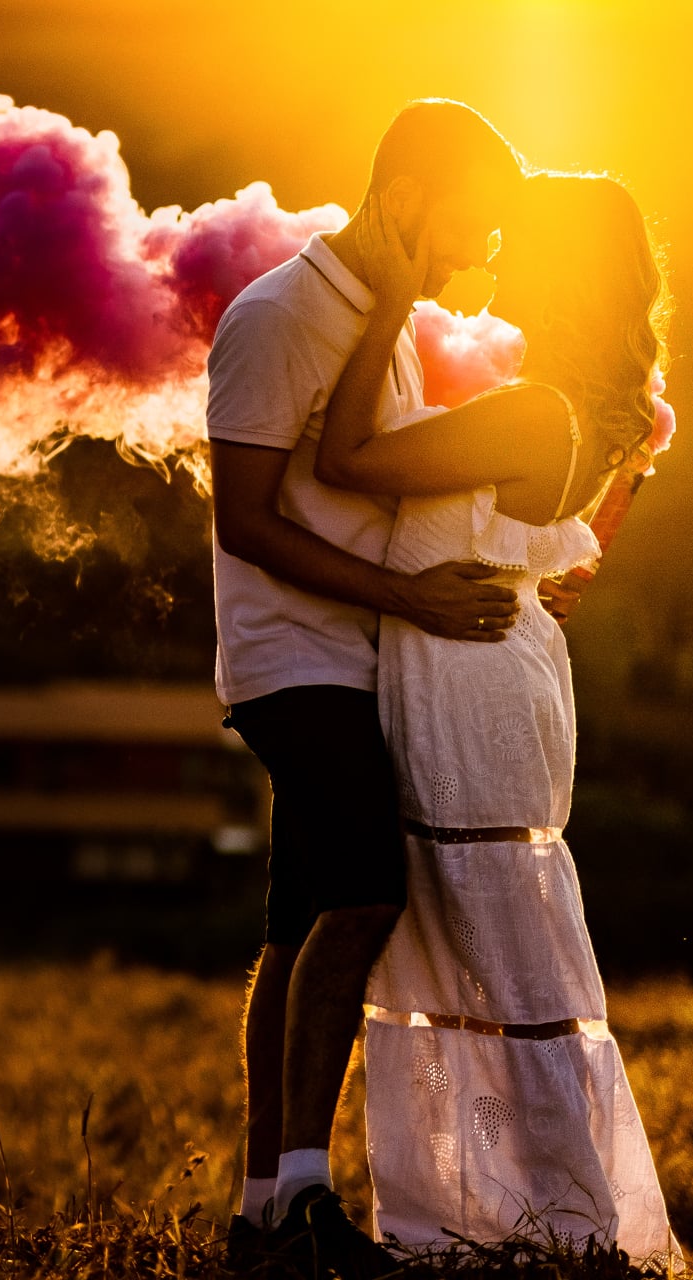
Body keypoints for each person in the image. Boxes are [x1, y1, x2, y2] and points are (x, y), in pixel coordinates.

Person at [313, 171, 677, 1262]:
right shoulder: (574, 403)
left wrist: (384, 299)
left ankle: (557, 1221)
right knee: (483, 937)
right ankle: (504, 1213)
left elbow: (344, 460)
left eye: (523, 240)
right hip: (489, 664)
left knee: (491, 941)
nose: (499, 250)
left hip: (468, 684)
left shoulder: (531, 412)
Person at [206, 99, 526, 1279]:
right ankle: (303, 1198)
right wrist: (419, 604)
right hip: (298, 657)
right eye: (469, 221)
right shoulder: (283, 315)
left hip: (352, 652)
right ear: (402, 197)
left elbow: (377, 489)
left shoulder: (377, 322)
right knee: (364, 898)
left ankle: (261, 1207)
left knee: (298, 922)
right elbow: (245, 522)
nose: (478, 246)